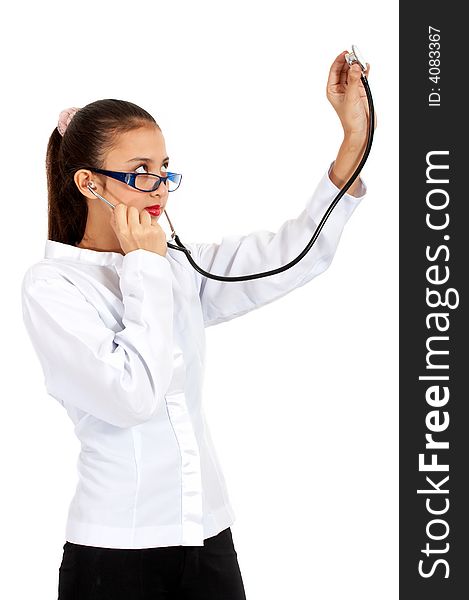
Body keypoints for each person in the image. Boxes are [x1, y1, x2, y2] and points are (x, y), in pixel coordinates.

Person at [21, 50, 374, 599]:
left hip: (208, 538)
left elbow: (292, 256)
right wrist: (143, 265)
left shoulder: (175, 267)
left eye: (164, 170)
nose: (159, 187)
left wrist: (352, 141)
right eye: (140, 173)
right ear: (89, 183)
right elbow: (131, 397)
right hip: (115, 554)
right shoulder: (54, 287)